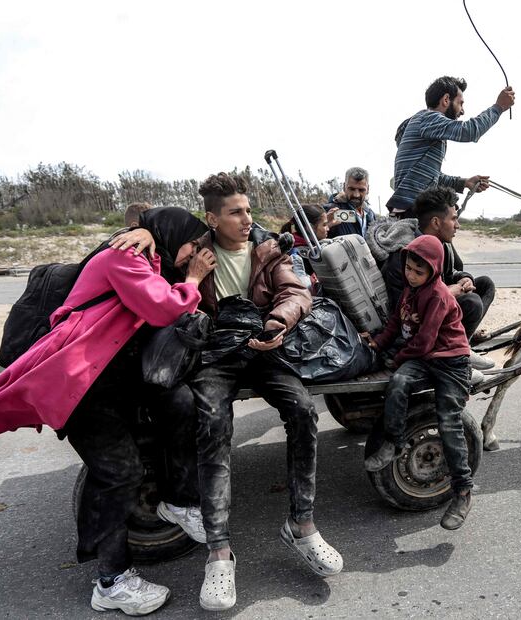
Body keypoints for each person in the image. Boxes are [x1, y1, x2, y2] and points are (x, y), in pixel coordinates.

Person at [0, 208, 217, 616]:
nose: (197, 254)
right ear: (174, 235)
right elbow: (163, 309)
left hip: (110, 377)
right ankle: (112, 582)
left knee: (179, 403)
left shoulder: (150, 257)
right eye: (195, 244)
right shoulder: (124, 256)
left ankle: (178, 500)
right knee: (119, 474)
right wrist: (192, 279)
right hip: (81, 382)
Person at [186, 173, 342, 611]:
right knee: (213, 426)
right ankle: (218, 553)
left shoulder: (269, 248)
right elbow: (178, 299)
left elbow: (295, 292)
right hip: (216, 354)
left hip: (265, 346)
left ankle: (302, 524)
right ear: (212, 218)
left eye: (248, 209)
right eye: (235, 212)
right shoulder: (194, 253)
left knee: (302, 410)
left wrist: (278, 323)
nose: (245, 218)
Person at [363, 234, 474, 530]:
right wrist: (377, 344)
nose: (411, 275)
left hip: (450, 361)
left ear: (434, 271)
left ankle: (463, 490)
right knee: (398, 384)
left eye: (418, 271)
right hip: (424, 358)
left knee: (449, 421)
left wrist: (395, 357)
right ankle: (394, 443)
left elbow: (424, 342)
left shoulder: (437, 295)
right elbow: (395, 324)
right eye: (408, 268)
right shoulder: (409, 291)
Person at [380, 187, 496, 371]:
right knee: (472, 302)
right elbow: (401, 305)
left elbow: (452, 272)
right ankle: (457, 359)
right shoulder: (406, 254)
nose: (457, 225)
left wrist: (464, 279)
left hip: (437, 306)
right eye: (453, 219)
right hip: (415, 323)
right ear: (436, 222)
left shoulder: (442, 245)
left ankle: (463, 344)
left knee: (484, 284)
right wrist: (449, 292)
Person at [385, 76, 515, 216]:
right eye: (461, 103)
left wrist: (464, 182)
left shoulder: (427, 126)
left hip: (411, 208)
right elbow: (469, 131)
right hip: (412, 209)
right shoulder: (428, 118)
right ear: (446, 100)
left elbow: (433, 177)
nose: (462, 111)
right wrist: (499, 107)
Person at [280, 203, 329, 292]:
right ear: (309, 227)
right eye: (324, 225)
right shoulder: (296, 254)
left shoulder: (309, 246)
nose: (328, 229)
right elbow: (304, 288)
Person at [324, 166, 376, 238]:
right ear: (344, 187)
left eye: (361, 190)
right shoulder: (331, 211)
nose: (356, 195)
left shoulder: (371, 215)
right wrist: (325, 226)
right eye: (351, 189)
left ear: (368, 189)